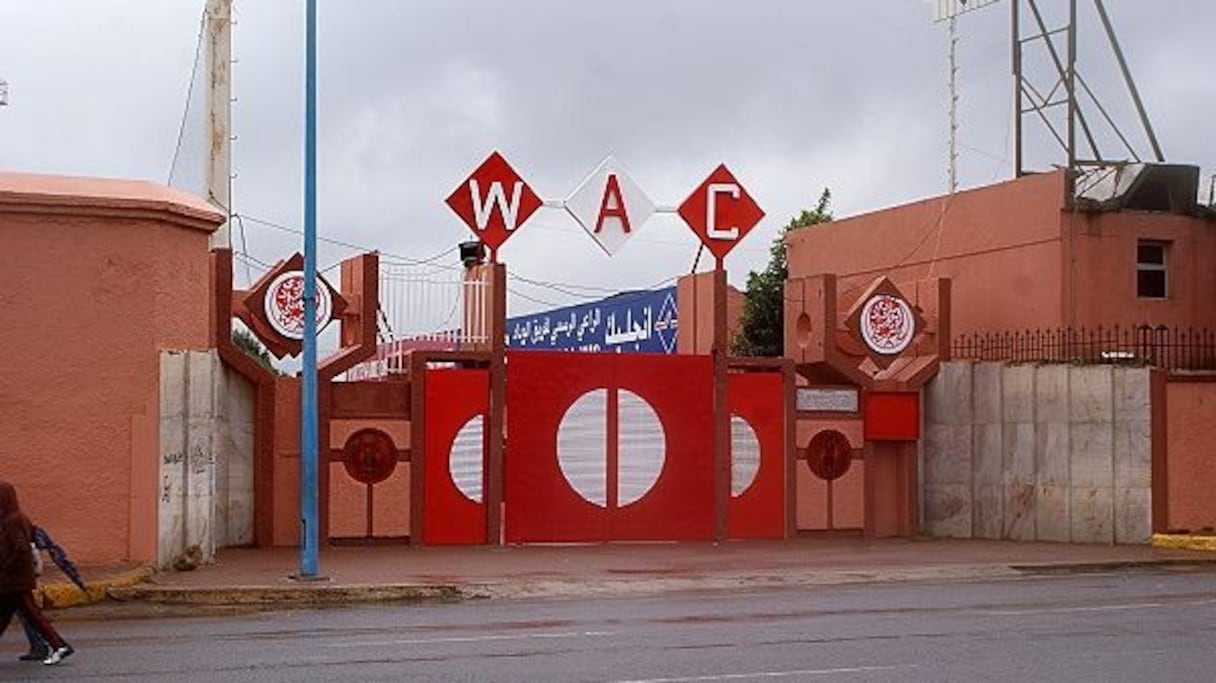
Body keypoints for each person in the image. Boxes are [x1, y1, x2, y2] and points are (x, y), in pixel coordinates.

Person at [0, 481, 73, 665]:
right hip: (15, 580)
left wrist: (6, 569)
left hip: (15, 581)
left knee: (33, 615)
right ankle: (57, 645)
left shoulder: (12, 521)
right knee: (9, 615)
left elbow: (21, 549)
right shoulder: (15, 517)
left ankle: (58, 646)